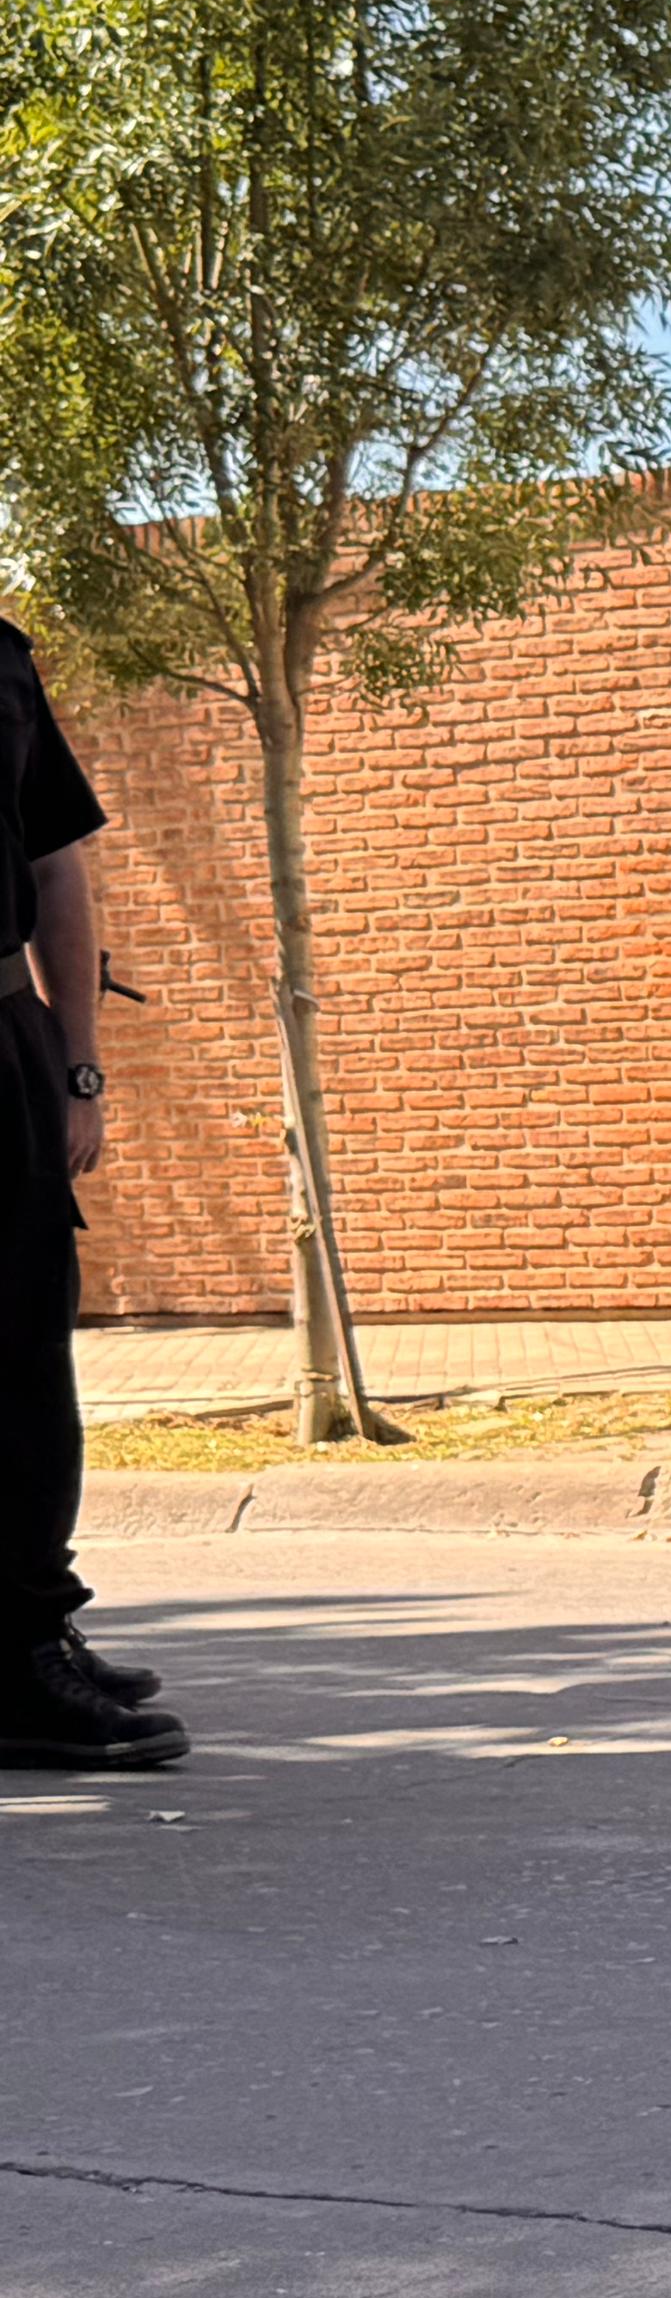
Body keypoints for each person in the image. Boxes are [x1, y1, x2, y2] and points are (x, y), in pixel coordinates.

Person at [0, 614, 182, 1771]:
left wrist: (77, 1068)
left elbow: (54, 861)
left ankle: (27, 1638)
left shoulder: (4, 660)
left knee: (23, 1359)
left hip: (1, 1042)